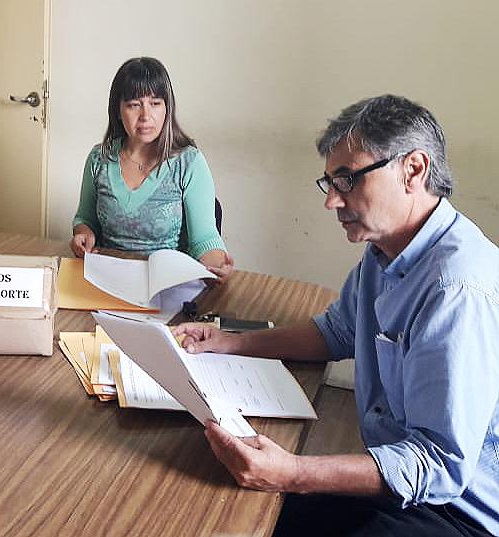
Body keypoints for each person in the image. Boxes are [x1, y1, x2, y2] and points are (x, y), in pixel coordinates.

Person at [173, 95, 499, 537]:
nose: (331, 202)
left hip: (458, 512)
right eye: (329, 183)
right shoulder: (384, 253)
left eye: (347, 180)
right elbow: (336, 332)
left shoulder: (456, 289)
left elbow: (439, 465)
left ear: (413, 170)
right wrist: (230, 342)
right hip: (401, 482)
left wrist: (293, 472)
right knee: (245, 512)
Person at [70, 57, 233, 281]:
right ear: (118, 110)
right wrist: (82, 234)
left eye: (155, 103)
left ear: (167, 108)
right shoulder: (99, 158)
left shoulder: (189, 163)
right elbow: (85, 219)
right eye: (134, 105)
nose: (146, 116)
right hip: (108, 279)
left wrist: (217, 264)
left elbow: (204, 239)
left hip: (166, 283)